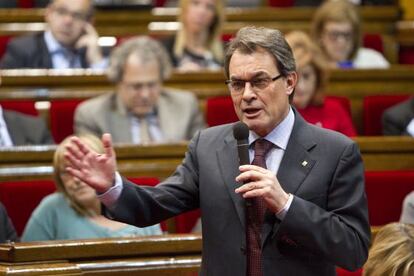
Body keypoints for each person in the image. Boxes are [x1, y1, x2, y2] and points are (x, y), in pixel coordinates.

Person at [65, 26, 370, 275]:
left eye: (260, 81)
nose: (247, 95)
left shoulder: (336, 151)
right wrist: (112, 188)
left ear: (290, 82)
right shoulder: (208, 146)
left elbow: (354, 250)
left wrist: (286, 205)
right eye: (237, 84)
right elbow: (154, 205)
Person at [22, 134, 162, 242]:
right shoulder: (51, 208)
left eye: (84, 168)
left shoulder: (138, 202)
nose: (76, 179)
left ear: (105, 167)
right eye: (67, 171)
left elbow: (163, 262)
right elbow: (25, 265)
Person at [74, 36, 205, 144]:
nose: (145, 94)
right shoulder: (92, 115)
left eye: (152, 85)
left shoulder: (186, 106)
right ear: (118, 82)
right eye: (136, 86)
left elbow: (203, 158)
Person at [285, 30, 357, 137]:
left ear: (318, 77)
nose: (300, 86)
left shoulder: (335, 110)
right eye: (292, 77)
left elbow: (352, 151)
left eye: (306, 76)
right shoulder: (273, 112)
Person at [0, 0, 107, 69]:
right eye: (61, 12)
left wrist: (96, 61)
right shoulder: (22, 50)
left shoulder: (99, 51)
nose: (68, 21)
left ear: (89, 22)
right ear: (48, 13)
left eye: (77, 15)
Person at [311, 0, 389, 69]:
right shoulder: (310, 64)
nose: (341, 41)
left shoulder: (374, 61)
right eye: (334, 34)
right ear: (320, 35)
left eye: (347, 35)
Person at [162, 0, 224, 72]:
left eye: (209, 7)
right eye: (195, 3)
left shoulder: (225, 53)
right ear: (184, 8)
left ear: (215, 16)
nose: (201, 11)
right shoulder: (165, 49)